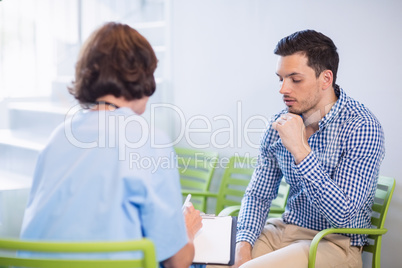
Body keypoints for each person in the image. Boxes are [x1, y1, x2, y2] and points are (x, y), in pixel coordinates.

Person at [20, 22, 202, 268]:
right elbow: (176, 262)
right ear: (143, 77)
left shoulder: (59, 137)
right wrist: (187, 233)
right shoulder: (149, 139)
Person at [233, 30, 385, 267]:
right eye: (280, 78)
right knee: (219, 258)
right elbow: (258, 195)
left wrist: (301, 151)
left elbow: (344, 217)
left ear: (325, 79)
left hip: (333, 242)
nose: (283, 89)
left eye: (295, 79)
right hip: (284, 231)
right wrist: (243, 245)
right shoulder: (280, 123)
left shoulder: (361, 126)